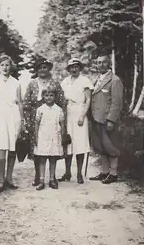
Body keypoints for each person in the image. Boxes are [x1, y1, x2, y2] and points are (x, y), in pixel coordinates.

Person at [23, 58, 66, 186]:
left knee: (52, 149)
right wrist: (27, 121)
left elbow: (62, 102)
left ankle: (52, 178)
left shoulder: (55, 84)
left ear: (49, 69)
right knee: (37, 149)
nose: (42, 70)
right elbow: (26, 103)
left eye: (45, 67)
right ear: (37, 70)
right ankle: (38, 177)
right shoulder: (32, 84)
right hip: (35, 119)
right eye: (40, 67)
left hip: (52, 119)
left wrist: (61, 122)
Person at [0, 55, 24, 193]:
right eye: (2, 65)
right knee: (1, 148)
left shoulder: (16, 82)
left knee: (13, 149)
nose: (5, 67)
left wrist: (22, 119)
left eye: (7, 65)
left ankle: (9, 178)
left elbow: (20, 102)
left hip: (13, 116)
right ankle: (1, 180)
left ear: (11, 66)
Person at [89, 54, 124, 184]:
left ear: (109, 64)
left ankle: (113, 173)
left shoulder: (114, 80)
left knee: (111, 146)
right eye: (98, 63)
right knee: (100, 146)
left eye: (104, 62)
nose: (101, 65)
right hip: (96, 118)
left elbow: (117, 102)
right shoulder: (96, 79)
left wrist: (111, 120)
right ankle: (104, 172)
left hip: (106, 119)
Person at [60, 58, 94, 184]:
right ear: (68, 69)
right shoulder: (65, 81)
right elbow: (61, 98)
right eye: (71, 67)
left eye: (76, 67)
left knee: (80, 144)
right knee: (67, 144)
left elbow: (88, 100)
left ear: (80, 68)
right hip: (68, 112)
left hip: (80, 111)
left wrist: (82, 115)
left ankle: (79, 173)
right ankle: (67, 172)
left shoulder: (85, 81)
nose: (74, 69)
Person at [33, 87, 66, 190]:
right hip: (43, 137)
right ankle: (42, 181)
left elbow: (62, 123)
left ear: (55, 96)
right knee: (42, 159)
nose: (49, 97)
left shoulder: (58, 109)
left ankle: (52, 179)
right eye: (46, 95)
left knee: (53, 159)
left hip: (54, 137)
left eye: (51, 95)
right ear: (43, 97)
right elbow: (37, 124)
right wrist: (36, 136)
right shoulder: (40, 109)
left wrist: (62, 136)